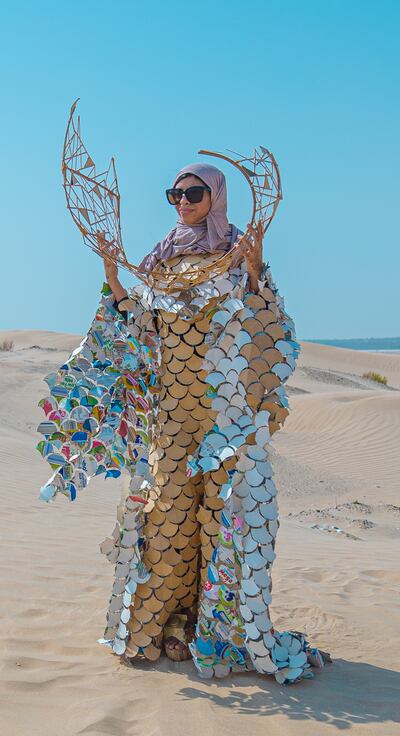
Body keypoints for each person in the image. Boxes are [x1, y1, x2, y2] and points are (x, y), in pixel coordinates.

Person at [37, 162, 330, 682]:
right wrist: (113, 280)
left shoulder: (236, 255)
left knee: (226, 521)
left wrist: (257, 272)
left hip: (226, 419)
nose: (182, 201)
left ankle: (220, 632)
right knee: (163, 521)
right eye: (174, 193)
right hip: (171, 420)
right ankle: (164, 622)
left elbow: (265, 324)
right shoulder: (161, 260)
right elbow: (141, 328)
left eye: (193, 192)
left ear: (215, 196)